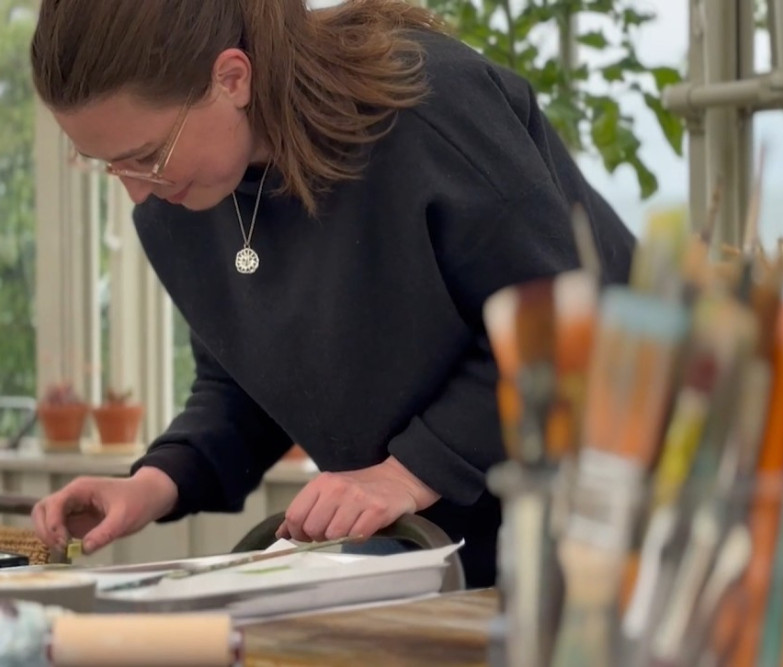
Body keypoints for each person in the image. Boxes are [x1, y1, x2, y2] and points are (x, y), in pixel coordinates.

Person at [28, 0, 635, 587]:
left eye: (146, 156)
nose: (137, 193)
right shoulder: (178, 200)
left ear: (231, 78)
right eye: (107, 164)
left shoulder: (427, 104)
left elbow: (568, 328)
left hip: (614, 525)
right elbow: (241, 385)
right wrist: (151, 485)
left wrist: (407, 473)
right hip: (440, 557)